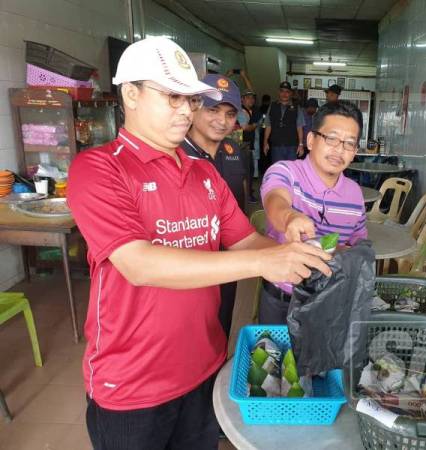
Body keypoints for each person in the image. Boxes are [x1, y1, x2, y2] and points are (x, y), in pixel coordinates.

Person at [67, 37, 331, 450]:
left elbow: (244, 241)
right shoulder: (99, 169)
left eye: (189, 99)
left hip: (203, 367)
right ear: (131, 94)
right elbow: (139, 264)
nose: (185, 110)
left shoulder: (204, 175)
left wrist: (296, 252)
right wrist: (266, 263)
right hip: (133, 382)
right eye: (172, 96)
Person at [259, 100, 368, 324]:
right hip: (282, 298)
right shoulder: (285, 171)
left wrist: (348, 252)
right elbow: (275, 199)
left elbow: (356, 245)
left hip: (328, 301)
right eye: (331, 138)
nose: (339, 150)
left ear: (355, 151)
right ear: (310, 140)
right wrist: (289, 217)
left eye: (349, 144)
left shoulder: (355, 194)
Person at [179, 74, 246, 340]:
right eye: (213, 109)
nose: (222, 121)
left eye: (230, 114)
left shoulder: (234, 150)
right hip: (191, 263)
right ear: (193, 107)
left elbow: (240, 202)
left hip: (230, 257)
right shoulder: (176, 155)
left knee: (221, 328)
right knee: (192, 337)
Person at [263, 81, 305, 163]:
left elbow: (299, 127)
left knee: (291, 170)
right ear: (279, 92)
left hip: (292, 146)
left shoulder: (297, 108)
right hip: (276, 145)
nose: (284, 94)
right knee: (278, 169)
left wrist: (301, 145)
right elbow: (268, 125)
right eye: (282, 91)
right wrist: (265, 142)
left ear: (291, 94)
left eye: (287, 92)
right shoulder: (272, 106)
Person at [237, 88, 260, 203]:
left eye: (252, 98)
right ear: (242, 99)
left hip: (249, 146)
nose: (251, 100)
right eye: (248, 98)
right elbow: (245, 127)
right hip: (243, 147)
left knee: (249, 171)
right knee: (246, 172)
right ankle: (247, 196)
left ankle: (248, 192)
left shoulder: (250, 111)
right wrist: (255, 125)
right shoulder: (241, 111)